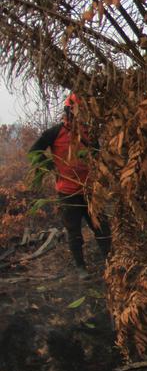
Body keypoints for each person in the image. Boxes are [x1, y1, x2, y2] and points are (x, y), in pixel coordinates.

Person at [29, 93, 111, 280]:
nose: (81, 115)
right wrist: (49, 165)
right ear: (69, 111)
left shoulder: (89, 133)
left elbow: (97, 156)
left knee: (102, 229)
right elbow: (33, 152)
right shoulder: (54, 132)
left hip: (90, 191)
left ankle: (111, 263)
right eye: (78, 111)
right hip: (67, 193)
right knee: (74, 232)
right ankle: (81, 268)